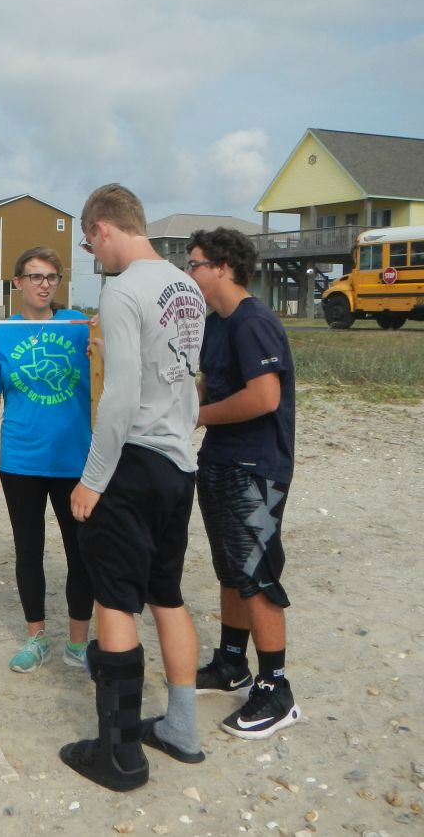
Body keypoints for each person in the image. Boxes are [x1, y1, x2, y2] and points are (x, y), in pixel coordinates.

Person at [60, 183, 207, 792]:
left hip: (133, 462)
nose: (94, 255)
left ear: (102, 228)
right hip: (179, 464)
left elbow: (119, 395)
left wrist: (93, 480)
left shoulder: (122, 291)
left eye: (90, 242)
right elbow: (186, 378)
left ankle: (119, 755)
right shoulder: (187, 286)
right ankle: (182, 728)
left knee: (115, 599)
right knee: (166, 594)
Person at [185, 227, 300, 739]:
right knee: (231, 570)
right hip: (219, 462)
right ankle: (232, 661)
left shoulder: (255, 321)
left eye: (195, 264)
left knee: (257, 575)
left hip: (256, 467)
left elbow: (264, 398)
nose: (190, 273)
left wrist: (199, 413)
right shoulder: (214, 325)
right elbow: (208, 382)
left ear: (224, 267)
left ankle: (277, 689)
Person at [0, 247, 93, 673]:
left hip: (76, 461)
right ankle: (36, 636)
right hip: (21, 460)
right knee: (29, 550)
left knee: (82, 554)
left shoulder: (80, 326)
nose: (44, 284)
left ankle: (78, 643)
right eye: (35, 277)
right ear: (17, 283)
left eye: (51, 277)